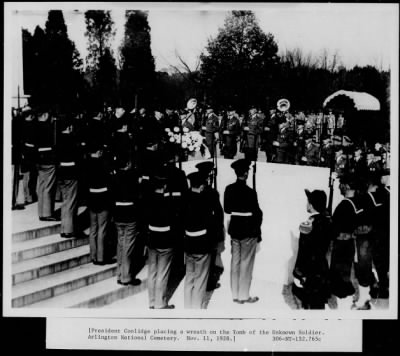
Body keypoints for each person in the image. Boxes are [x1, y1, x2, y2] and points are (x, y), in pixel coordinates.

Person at [224, 158, 263, 304]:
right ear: (246, 173)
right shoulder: (251, 192)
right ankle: (243, 295)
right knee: (246, 264)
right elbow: (257, 213)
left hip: (235, 230)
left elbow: (227, 209)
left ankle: (235, 294)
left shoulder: (229, 189)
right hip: (248, 231)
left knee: (235, 262)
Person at [292, 189, 332, 309]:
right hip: (322, 268)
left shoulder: (307, 224)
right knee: (319, 303)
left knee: (309, 302)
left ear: (311, 205)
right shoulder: (327, 222)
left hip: (309, 270)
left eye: (307, 202)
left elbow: (303, 251)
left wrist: (298, 272)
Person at [183, 172, 217, 309]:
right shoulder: (205, 201)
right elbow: (211, 224)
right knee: (201, 279)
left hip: (188, 244)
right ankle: (197, 310)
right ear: (202, 186)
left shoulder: (185, 200)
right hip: (202, 245)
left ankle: (187, 307)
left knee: (189, 277)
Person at [329, 174, 363, 309]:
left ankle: (340, 301)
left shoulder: (343, 205)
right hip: (351, 243)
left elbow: (334, 228)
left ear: (347, 186)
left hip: (341, 244)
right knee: (348, 272)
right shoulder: (359, 203)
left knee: (340, 274)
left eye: (341, 184)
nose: (339, 187)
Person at [145, 174, 178, 309]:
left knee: (152, 271)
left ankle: (152, 301)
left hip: (152, 239)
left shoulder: (149, 201)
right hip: (165, 241)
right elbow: (174, 222)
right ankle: (161, 303)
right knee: (162, 273)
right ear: (164, 186)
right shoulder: (168, 202)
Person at [195, 161, 225, 291]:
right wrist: (219, 232)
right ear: (208, 176)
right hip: (210, 230)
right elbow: (219, 214)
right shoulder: (212, 193)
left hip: (196, 231)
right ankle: (208, 282)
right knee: (210, 257)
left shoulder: (194, 190)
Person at [113, 158, 142, 286]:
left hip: (118, 214)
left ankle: (120, 273)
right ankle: (126, 276)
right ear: (128, 164)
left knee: (120, 244)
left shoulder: (114, 177)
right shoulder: (132, 177)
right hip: (130, 214)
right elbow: (137, 195)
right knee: (128, 246)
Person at [86, 142, 114, 265]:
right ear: (98, 152)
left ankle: (93, 255)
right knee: (102, 229)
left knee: (93, 229)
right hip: (103, 200)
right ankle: (101, 257)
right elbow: (109, 183)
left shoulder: (87, 164)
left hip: (92, 200)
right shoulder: (103, 165)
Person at [56, 117, 80, 238]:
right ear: (69, 127)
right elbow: (78, 157)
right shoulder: (73, 140)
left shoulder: (58, 139)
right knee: (71, 202)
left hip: (61, 173)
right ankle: (69, 229)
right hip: (71, 173)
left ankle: (63, 227)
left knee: (65, 202)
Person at [35, 108, 59, 221]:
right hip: (49, 160)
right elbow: (54, 144)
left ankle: (41, 211)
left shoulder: (34, 126)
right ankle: (47, 212)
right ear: (44, 115)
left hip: (39, 160)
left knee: (42, 186)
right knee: (49, 186)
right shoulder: (49, 127)